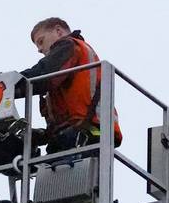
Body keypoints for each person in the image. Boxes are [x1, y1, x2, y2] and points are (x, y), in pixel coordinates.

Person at [19, 18, 122, 154]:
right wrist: (43, 135)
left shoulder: (68, 46)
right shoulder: (72, 64)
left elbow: (44, 74)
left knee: (65, 173)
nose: (40, 49)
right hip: (79, 134)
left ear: (58, 31)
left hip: (84, 134)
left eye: (41, 41)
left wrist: (7, 85)